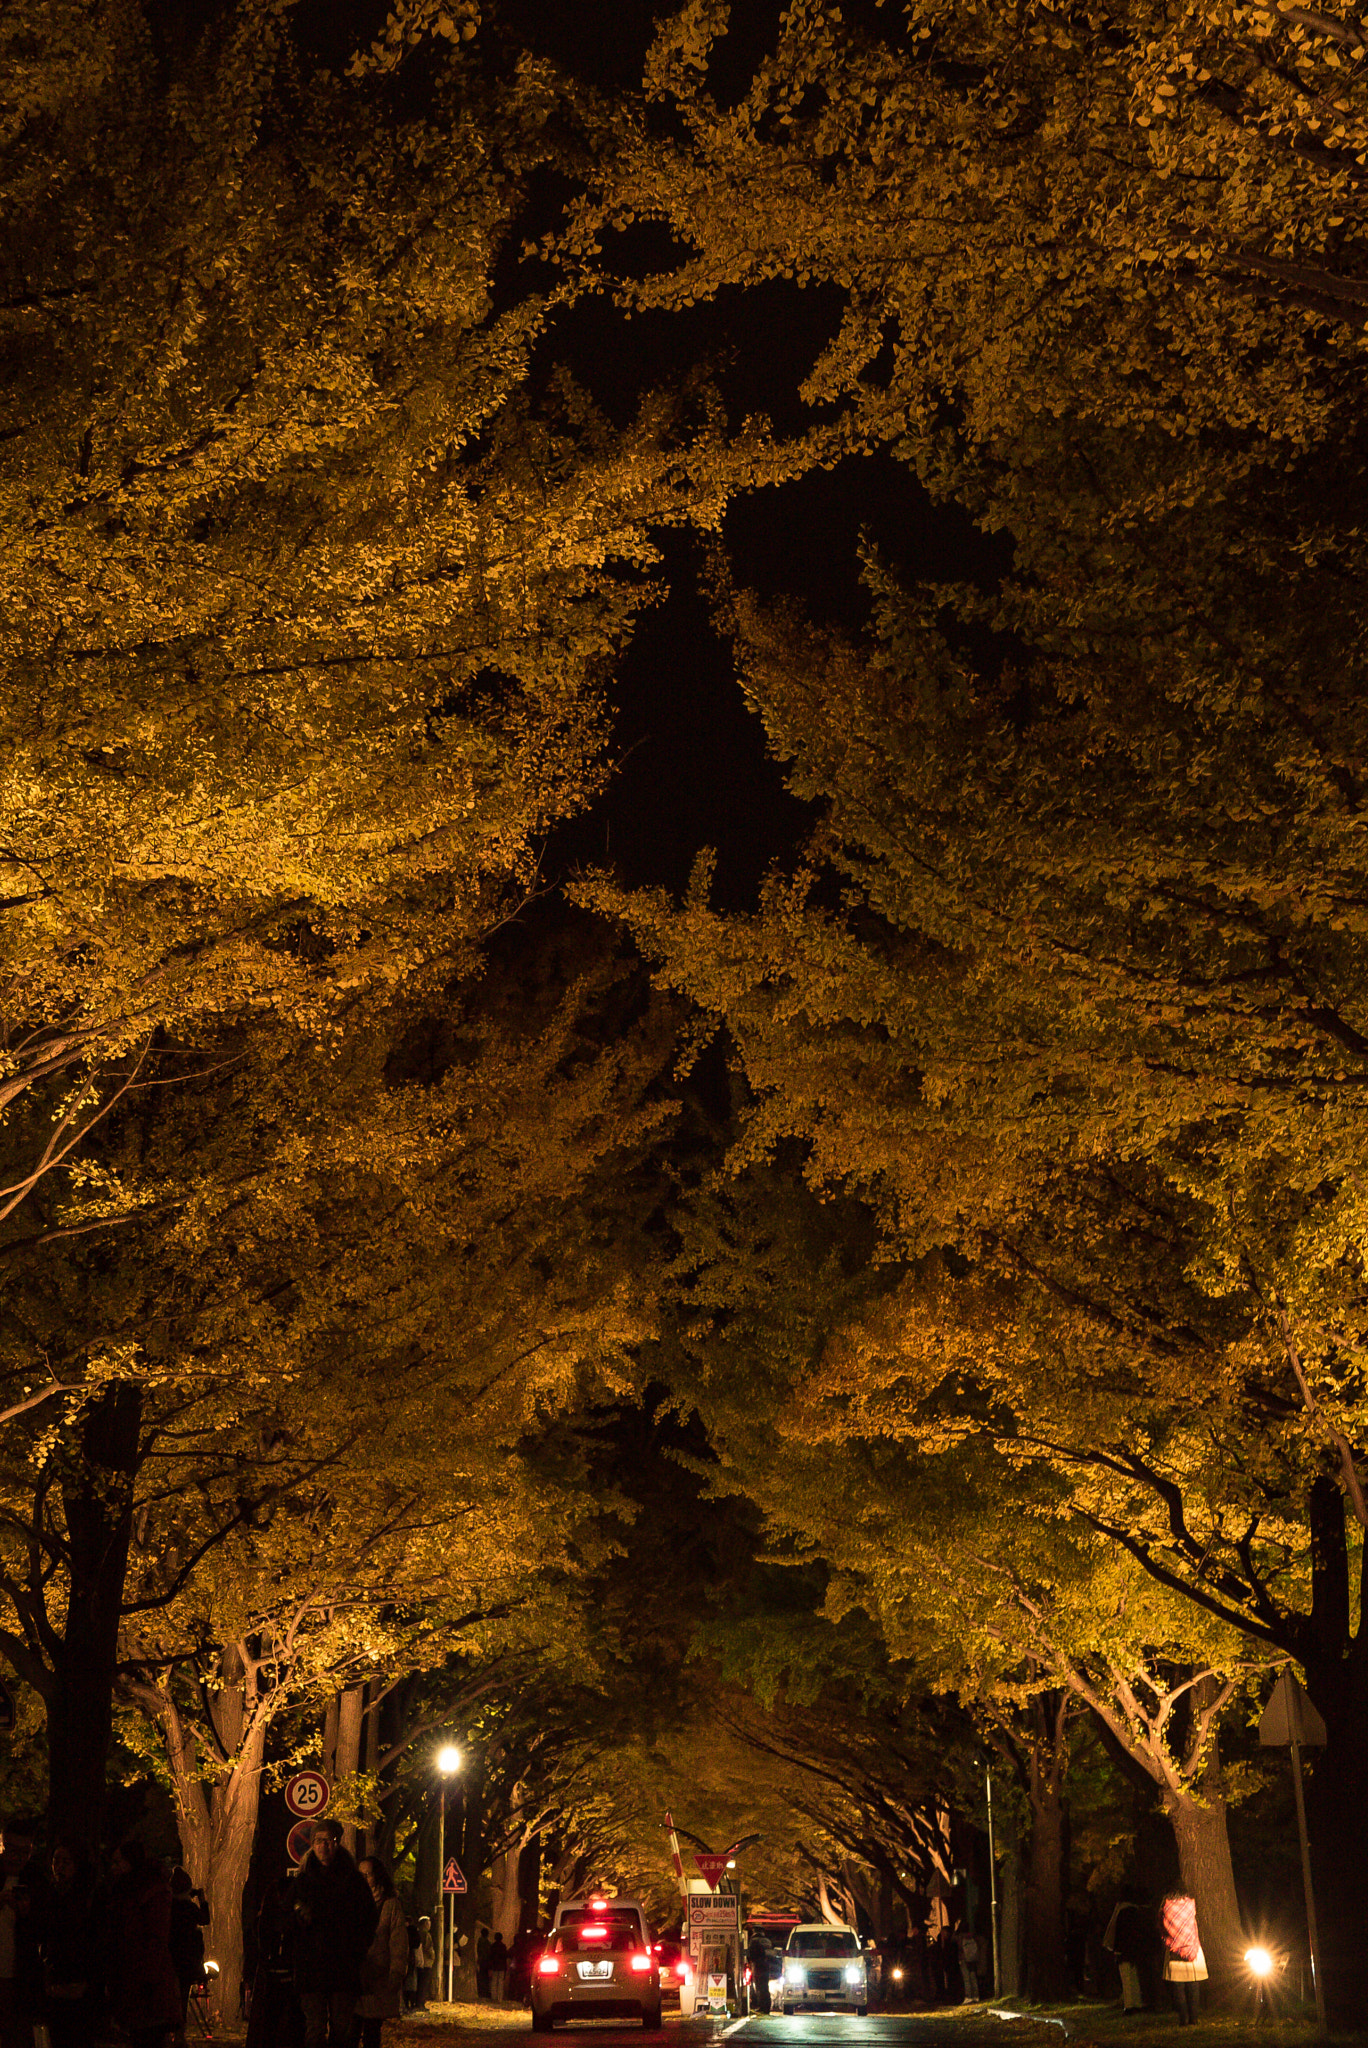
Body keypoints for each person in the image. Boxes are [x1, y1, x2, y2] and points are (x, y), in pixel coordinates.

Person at [291, 1822, 377, 2048]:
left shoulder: (354, 1881)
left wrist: (357, 1949)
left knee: (342, 2030)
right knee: (315, 2029)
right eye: (318, 1840)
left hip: (343, 1966)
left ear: (337, 1843)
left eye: (328, 1840)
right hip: (311, 1967)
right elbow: (289, 1921)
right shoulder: (302, 1881)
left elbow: (368, 1920)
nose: (323, 1846)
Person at [105, 1840, 182, 2048]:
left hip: (146, 1984)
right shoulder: (122, 1890)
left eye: (118, 1862)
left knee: (147, 2035)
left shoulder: (151, 1892)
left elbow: (155, 1939)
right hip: (130, 1978)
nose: (113, 1867)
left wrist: (146, 1977)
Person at [1, 1816, 51, 2048]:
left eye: (25, 1850)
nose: (18, 1857)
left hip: (20, 1973)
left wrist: (28, 1913)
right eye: (13, 1849)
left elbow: (47, 1927)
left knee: (18, 2034)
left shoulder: (36, 1878)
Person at [43, 1841, 98, 2048]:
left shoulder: (87, 1898)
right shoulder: (51, 1894)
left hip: (79, 1977)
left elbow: (92, 1939)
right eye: (56, 1861)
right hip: (56, 1975)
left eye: (66, 1861)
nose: (59, 1866)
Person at [355, 1858, 407, 2048]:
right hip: (355, 1976)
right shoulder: (352, 1902)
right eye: (360, 1874)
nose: (363, 1878)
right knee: (349, 2029)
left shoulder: (390, 1905)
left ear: (377, 1876)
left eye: (367, 1874)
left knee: (371, 2030)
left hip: (378, 1977)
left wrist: (396, 1973)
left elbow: (398, 1942)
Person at [168, 1868, 209, 2041]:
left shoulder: (169, 1906)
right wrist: (202, 1900)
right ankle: (179, 2033)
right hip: (186, 1959)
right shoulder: (189, 1908)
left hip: (170, 1957)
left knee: (172, 1996)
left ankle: (170, 2030)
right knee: (182, 1996)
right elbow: (205, 1919)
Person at [1160, 1891, 1207, 2026]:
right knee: (1193, 1986)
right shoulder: (1190, 1905)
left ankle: (1183, 2019)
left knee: (1178, 1988)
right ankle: (1194, 2019)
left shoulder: (1166, 1907)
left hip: (1174, 1952)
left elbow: (1161, 1927)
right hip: (1193, 1951)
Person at [412, 1919, 434, 2011]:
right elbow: (428, 1948)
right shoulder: (426, 1934)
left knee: (419, 1983)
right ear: (425, 1924)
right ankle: (420, 2003)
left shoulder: (417, 1933)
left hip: (419, 1962)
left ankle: (417, 2002)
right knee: (424, 1984)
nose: (430, 1925)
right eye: (429, 1923)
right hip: (426, 1962)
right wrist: (432, 1956)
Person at [958, 1925, 981, 2001]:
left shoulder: (961, 1937)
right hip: (973, 1959)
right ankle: (976, 1995)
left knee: (966, 1979)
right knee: (973, 1977)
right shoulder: (973, 1936)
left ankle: (968, 1996)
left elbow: (960, 1948)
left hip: (965, 1959)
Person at [487, 1932, 507, 2004]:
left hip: (494, 1966)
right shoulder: (503, 1946)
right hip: (501, 1967)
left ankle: (494, 1997)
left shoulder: (493, 1946)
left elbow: (490, 1957)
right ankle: (499, 1998)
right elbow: (505, 1957)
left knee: (494, 1982)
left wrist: (490, 1967)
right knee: (500, 1982)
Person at [474, 1929, 491, 2001]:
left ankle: (483, 1992)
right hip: (485, 1961)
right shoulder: (485, 1942)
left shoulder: (480, 1941)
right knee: (484, 1977)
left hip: (482, 1961)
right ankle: (483, 1992)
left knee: (482, 1976)